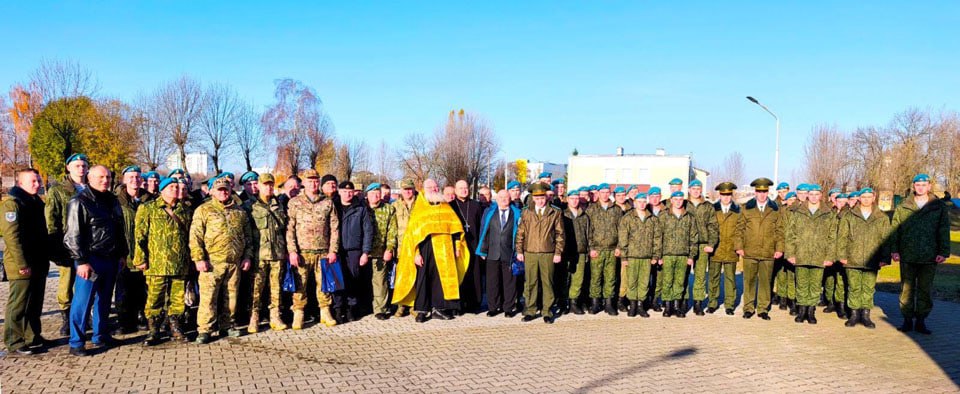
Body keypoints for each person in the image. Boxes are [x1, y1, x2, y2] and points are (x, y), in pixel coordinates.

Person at [64, 165, 128, 356]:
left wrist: (122, 254)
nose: (105, 180)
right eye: (100, 177)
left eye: (108, 177)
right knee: (82, 302)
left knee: (104, 300)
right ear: (89, 178)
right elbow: (72, 236)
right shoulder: (79, 202)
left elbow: (119, 229)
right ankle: (76, 342)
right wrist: (81, 261)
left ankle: (101, 335)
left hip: (111, 258)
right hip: (90, 259)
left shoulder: (112, 201)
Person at [393, 179, 470, 322]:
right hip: (425, 248)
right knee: (423, 278)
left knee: (440, 280)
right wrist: (416, 253)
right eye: (430, 187)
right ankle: (422, 310)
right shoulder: (420, 206)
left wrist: (458, 246)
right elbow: (413, 234)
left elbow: (456, 228)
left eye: (436, 187)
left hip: (444, 248)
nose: (434, 189)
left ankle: (438, 309)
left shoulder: (445, 205)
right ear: (424, 189)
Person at [190, 176, 253, 344]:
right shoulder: (204, 210)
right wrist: (199, 258)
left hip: (234, 263)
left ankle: (227, 325)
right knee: (208, 298)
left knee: (231, 298)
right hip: (211, 263)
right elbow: (195, 237)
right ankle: (205, 329)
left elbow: (248, 237)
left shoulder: (239, 211)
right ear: (212, 192)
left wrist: (247, 256)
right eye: (220, 190)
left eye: (226, 189)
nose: (224, 192)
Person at [891, 173, 951, 334]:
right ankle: (907, 320)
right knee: (906, 289)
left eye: (924, 185)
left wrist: (944, 252)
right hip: (907, 254)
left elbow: (943, 230)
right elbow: (895, 229)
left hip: (929, 255)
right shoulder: (904, 206)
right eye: (918, 185)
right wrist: (894, 250)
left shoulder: (938, 206)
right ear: (914, 186)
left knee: (925, 289)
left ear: (929, 186)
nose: (921, 187)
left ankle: (921, 321)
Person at [136, 177, 192, 345]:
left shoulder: (185, 210)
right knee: (154, 299)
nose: (175, 189)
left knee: (177, 299)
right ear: (162, 189)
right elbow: (140, 236)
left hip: (179, 262)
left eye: (177, 186)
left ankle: (175, 328)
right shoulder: (148, 209)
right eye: (171, 187)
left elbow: (190, 236)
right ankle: (153, 330)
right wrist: (140, 258)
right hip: (156, 264)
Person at [2, 169, 49, 355]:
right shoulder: (12, 205)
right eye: (33, 181)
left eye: (38, 181)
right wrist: (22, 265)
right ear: (20, 183)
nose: (38, 184)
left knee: (35, 303)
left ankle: (32, 336)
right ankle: (14, 340)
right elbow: (12, 238)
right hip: (21, 264)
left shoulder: (35, 202)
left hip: (38, 261)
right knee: (19, 304)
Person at [286, 170, 340, 329]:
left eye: (316, 180)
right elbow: (290, 229)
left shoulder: (327, 202)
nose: (313, 183)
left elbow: (334, 228)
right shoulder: (295, 203)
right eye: (310, 181)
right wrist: (292, 251)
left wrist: (333, 250)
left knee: (323, 284)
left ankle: (325, 312)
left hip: (323, 251)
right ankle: (299, 313)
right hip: (302, 252)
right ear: (304, 182)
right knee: (300, 285)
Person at [46, 152, 89, 336]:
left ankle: (83, 317)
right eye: (77, 165)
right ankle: (66, 317)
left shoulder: (91, 187)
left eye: (84, 165)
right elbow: (51, 220)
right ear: (68, 168)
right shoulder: (58, 190)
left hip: (89, 244)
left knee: (85, 282)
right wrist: (55, 248)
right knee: (66, 283)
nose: (81, 169)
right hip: (67, 244)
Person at [837, 187, 890, 329]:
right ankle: (854, 315)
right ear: (859, 198)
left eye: (869, 197)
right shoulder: (849, 216)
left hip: (872, 259)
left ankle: (865, 315)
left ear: (874, 198)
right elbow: (842, 237)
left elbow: (885, 239)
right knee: (853, 287)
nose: (866, 199)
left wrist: (884, 257)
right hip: (852, 258)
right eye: (863, 197)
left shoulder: (882, 218)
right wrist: (841, 255)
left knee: (868, 288)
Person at [244, 173, 289, 332]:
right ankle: (254, 317)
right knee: (256, 289)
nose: (268, 187)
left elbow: (285, 229)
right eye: (265, 184)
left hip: (277, 253)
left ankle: (275, 316)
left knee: (276, 288)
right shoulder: (249, 206)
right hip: (259, 255)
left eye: (271, 184)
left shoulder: (280, 204)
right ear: (259, 186)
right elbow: (246, 233)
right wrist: (248, 255)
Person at [786, 184, 836, 325]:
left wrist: (829, 257)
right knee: (801, 284)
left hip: (819, 255)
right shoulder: (798, 212)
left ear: (821, 195)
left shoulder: (828, 213)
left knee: (815, 285)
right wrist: (790, 253)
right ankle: (802, 310)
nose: (814, 197)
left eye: (816, 194)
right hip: (801, 254)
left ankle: (811, 311)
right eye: (811, 194)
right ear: (807, 195)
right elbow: (790, 234)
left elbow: (832, 237)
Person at [735, 177, 784, 320]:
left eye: (765, 191)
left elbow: (780, 231)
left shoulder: (775, 210)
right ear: (755, 192)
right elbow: (739, 229)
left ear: (768, 192)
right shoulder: (746, 208)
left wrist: (779, 248)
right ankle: (749, 308)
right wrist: (739, 246)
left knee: (765, 281)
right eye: (759, 191)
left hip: (768, 251)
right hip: (750, 251)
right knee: (749, 281)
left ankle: (763, 309)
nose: (762, 194)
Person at [515, 183, 564, 323]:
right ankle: (530, 310)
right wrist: (519, 250)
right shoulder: (526, 212)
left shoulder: (555, 212)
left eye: (542, 197)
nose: (540, 200)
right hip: (530, 252)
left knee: (547, 282)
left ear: (546, 197)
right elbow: (520, 232)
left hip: (548, 253)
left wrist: (558, 252)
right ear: (532, 198)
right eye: (537, 198)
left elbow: (560, 234)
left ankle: (547, 311)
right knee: (531, 282)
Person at [114, 165, 149, 335]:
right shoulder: (116, 201)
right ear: (124, 180)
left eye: (137, 177)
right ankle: (124, 321)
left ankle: (142, 316)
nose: (135, 180)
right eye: (131, 177)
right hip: (124, 251)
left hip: (144, 252)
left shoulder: (149, 199)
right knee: (123, 289)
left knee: (142, 287)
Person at [476, 190, 522, 317]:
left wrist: (519, 251)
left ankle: (508, 308)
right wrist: (482, 250)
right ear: (496, 199)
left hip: (509, 252)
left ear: (510, 199)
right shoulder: (489, 212)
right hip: (492, 252)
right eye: (501, 197)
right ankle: (493, 307)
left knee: (509, 281)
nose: (503, 199)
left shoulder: (517, 213)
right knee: (492, 281)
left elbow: (520, 234)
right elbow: (484, 231)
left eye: (506, 197)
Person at [335, 181, 374, 323]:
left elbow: (368, 231)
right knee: (338, 281)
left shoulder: (360, 209)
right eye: (344, 191)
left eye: (350, 191)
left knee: (353, 280)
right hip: (337, 250)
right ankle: (338, 309)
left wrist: (365, 252)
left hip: (354, 251)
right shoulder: (334, 207)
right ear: (339, 192)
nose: (347, 194)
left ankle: (351, 309)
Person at [617, 193, 661, 317]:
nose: (641, 204)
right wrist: (624, 257)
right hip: (632, 256)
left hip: (647, 257)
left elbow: (657, 239)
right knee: (631, 281)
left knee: (644, 282)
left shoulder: (652, 219)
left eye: (643, 202)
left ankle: (641, 306)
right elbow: (623, 239)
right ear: (634, 202)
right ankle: (633, 305)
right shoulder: (628, 218)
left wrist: (655, 256)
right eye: (639, 201)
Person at [658, 191, 698, 318]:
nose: (678, 201)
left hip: (683, 255)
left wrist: (691, 256)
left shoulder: (689, 217)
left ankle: (676, 306)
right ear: (671, 200)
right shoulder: (664, 216)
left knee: (679, 282)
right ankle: (668, 307)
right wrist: (659, 256)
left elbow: (694, 238)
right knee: (667, 281)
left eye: (681, 199)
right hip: (667, 254)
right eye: (676, 199)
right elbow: (658, 237)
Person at [586, 183, 623, 315]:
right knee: (596, 277)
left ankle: (609, 304)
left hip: (612, 250)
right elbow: (588, 230)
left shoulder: (617, 209)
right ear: (598, 193)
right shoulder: (591, 209)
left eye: (608, 192)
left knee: (610, 278)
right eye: (603, 192)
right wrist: (591, 248)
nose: (605, 194)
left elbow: (621, 230)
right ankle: (595, 303)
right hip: (597, 249)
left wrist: (619, 247)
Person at [686, 179, 719, 316]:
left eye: (698, 189)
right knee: (684, 275)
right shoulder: (683, 204)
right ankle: (683, 301)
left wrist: (711, 244)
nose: (696, 191)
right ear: (689, 190)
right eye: (693, 189)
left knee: (700, 275)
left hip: (702, 244)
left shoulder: (708, 206)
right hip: (686, 245)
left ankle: (698, 303)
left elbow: (713, 226)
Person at [451, 180, 484, 313]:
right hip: (459, 246)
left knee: (475, 274)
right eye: (461, 188)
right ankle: (459, 305)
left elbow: (482, 226)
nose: (464, 190)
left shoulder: (476, 205)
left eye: (466, 188)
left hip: (474, 244)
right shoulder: (451, 206)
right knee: (461, 274)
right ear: (455, 189)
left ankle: (474, 304)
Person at [366, 183, 398, 320]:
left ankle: (380, 309)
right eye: (372, 193)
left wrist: (389, 249)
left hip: (380, 252)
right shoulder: (362, 209)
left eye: (378, 193)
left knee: (380, 282)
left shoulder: (388, 209)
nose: (376, 195)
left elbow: (392, 231)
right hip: (363, 252)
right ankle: (363, 307)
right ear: (367, 195)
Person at [710, 182, 740, 315]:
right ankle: (712, 303)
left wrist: (738, 247)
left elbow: (740, 230)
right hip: (716, 249)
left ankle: (729, 304)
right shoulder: (712, 209)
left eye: (728, 194)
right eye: (723, 195)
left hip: (731, 250)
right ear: (719, 195)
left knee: (730, 279)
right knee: (713, 278)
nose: (726, 197)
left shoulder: (738, 210)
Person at [560, 191, 590, 315]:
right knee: (565, 278)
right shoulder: (562, 214)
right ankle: (563, 303)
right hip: (566, 251)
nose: (575, 201)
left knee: (578, 279)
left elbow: (589, 234)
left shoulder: (584, 215)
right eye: (572, 198)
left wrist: (588, 250)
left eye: (577, 199)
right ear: (568, 200)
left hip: (581, 251)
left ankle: (574, 302)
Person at [392, 179, 418, 318]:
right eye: (405, 189)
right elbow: (392, 228)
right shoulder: (395, 206)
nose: (408, 191)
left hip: (416, 247)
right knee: (401, 278)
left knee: (415, 278)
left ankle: (414, 305)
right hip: (401, 247)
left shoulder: (420, 205)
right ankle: (401, 305)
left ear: (413, 190)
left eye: (410, 189)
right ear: (401, 191)